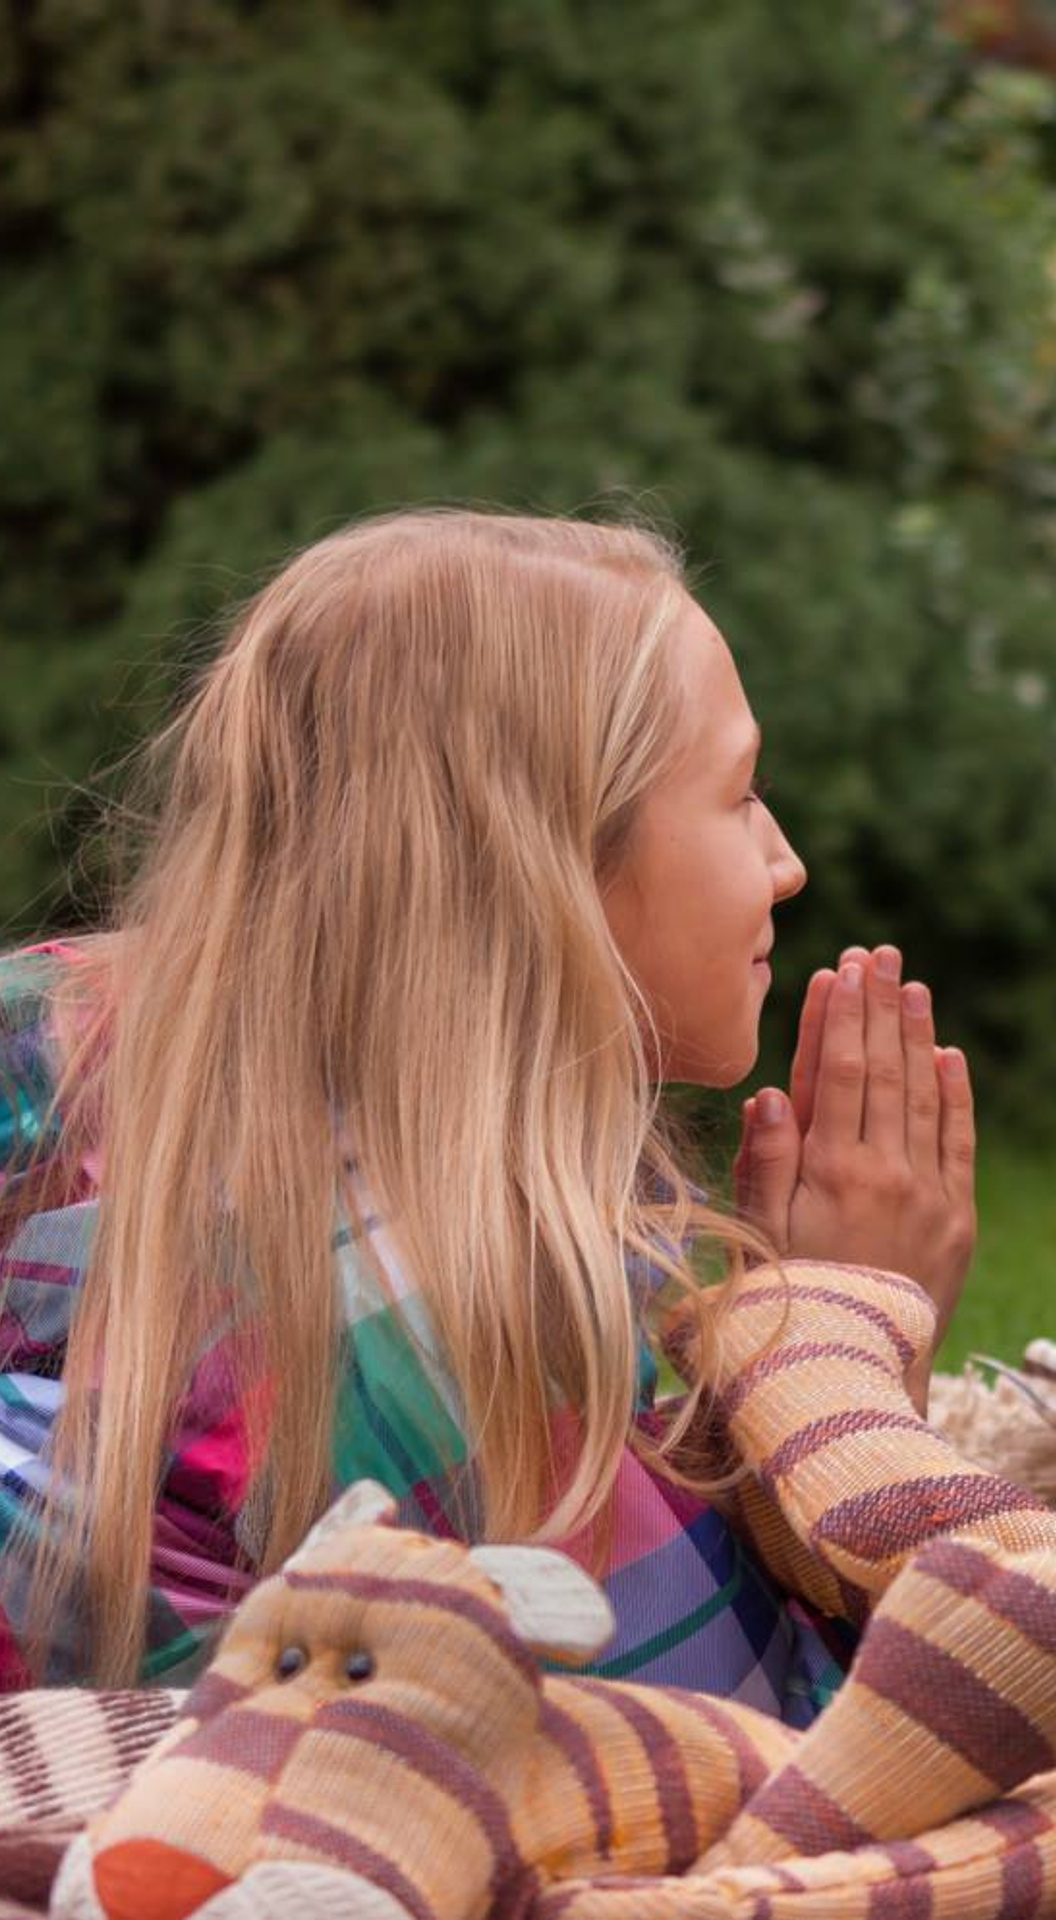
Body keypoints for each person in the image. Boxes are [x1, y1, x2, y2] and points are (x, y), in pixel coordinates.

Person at [0, 509, 975, 1717]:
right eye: (740, 796)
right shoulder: (440, 1317)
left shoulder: (67, 1042)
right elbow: (759, 1757)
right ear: (549, 875)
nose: (785, 864)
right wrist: (845, 1350)